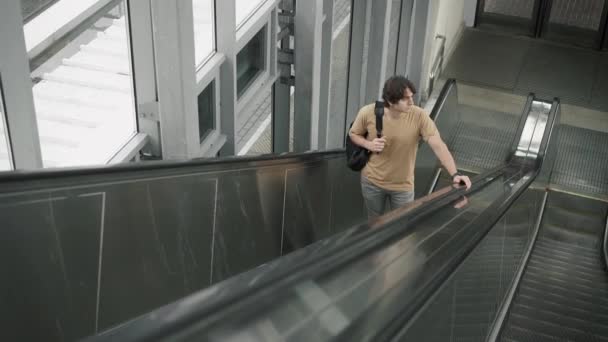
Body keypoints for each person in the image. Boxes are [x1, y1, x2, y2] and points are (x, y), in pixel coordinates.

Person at [349, 76, 471, 219]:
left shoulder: (419, 116)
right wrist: (368, 144)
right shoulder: (368, 112)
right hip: (372, 182)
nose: (411, 102)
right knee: (374, 222)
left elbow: (438, 145)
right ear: (390, 101)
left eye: (412, 97)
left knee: (402, 224)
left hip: (402, 187)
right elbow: (354, 134)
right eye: (406, 99)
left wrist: (455, 174)